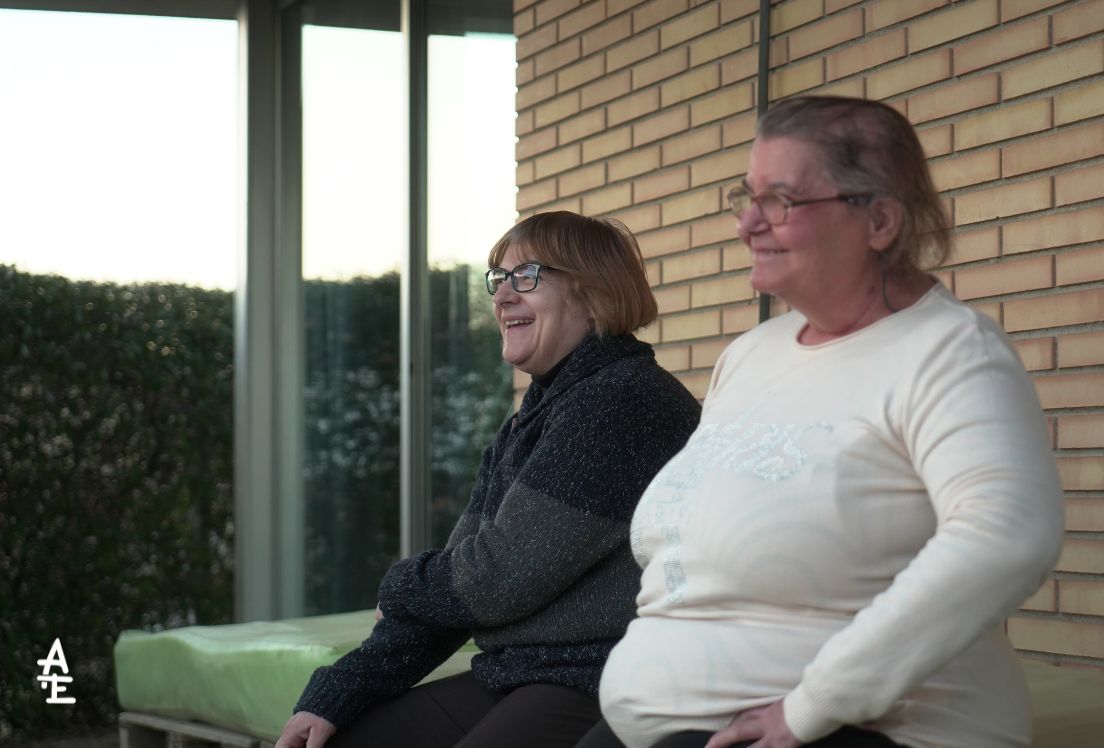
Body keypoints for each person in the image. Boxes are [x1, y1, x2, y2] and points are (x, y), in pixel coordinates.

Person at [579, 96, 1064, 748]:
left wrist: (815, 703)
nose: (748, 222)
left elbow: (1008, 534)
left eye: (781, 200)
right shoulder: (751, 355)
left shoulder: (949, 353)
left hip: (871, 731)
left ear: (879, 220)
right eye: (745, 196)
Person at [275, 211, 702, 748]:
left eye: (527, 276)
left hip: (602, 675)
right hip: (526, 672)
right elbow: (461, 592)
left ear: (594, 294)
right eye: (498, 279)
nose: (501, 297)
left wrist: (399, 585)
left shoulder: (621, 401)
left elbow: (495, 581)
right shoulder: (541, 414)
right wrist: (337, 692)